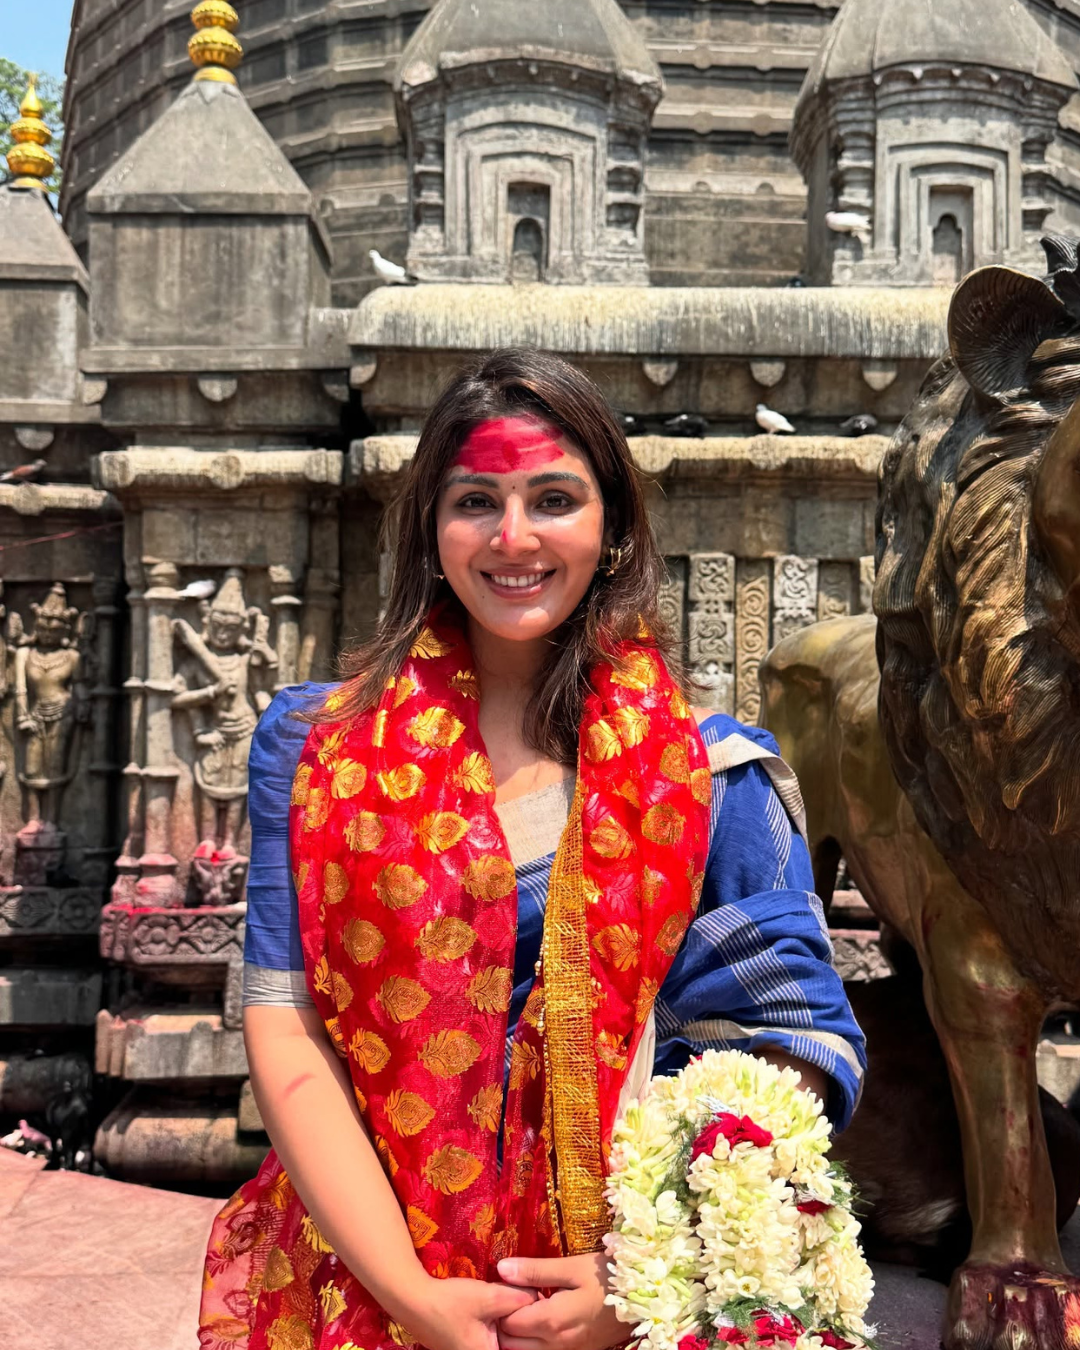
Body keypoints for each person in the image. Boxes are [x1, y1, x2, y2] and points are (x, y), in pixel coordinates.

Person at [199, 349, 865, 1350]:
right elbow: (287, 1030)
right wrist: (414, 1298)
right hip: (364, 1282)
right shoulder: (315, 751)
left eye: (553, 498)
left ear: (612, 530)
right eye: (476, 502)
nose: (513, 538)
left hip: (617, 1298)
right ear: (430, 527)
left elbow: (798, 1043)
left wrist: (644, 1273)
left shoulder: (710, 776)